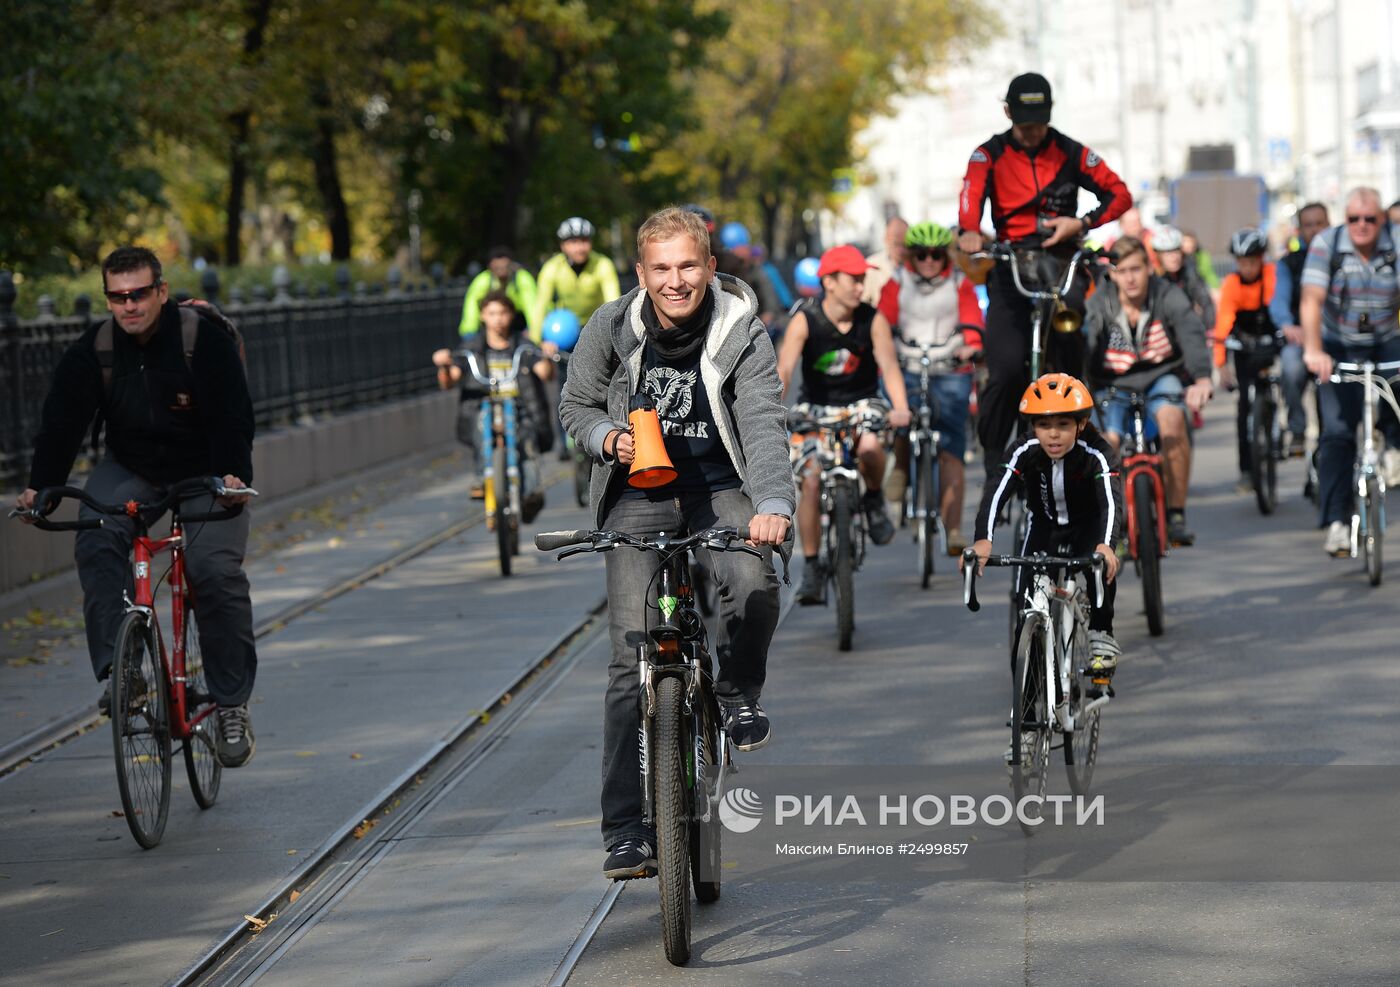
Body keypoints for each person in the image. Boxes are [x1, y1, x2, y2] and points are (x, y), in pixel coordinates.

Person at [559, 206, 793, 880]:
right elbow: (575, 405)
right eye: (661, 268)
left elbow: (763, 420)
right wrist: (607, 438)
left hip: (720, 485)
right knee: (629, 656)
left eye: (688, 265)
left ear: (710, 267)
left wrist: (772, 504)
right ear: (642, 273)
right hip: (638, 489)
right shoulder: (611, 324)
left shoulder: (739, 330)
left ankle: (737, 691)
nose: (676, 280)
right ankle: (627, 830)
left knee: (752, 584)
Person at [15, 246, 257, 767]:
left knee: (214, 570)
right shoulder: (96, 350)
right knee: (96, 538)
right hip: (135, 470)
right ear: (109, 298)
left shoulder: (201, 341)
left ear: (161, 292)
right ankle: (123, 671)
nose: (129, 306)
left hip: (206, 471)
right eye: (118, 296)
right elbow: (61, 422)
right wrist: (42, 487)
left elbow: (234, 416)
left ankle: (231, 702)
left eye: (139, 294)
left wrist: (235, 475)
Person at [956, 72, 1132, 478]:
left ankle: (1082, 438)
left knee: (1072, 341)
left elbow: (1119, 194)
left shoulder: (1071, 151)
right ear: (1007, 114)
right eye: (1025, 124)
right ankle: (993, 457)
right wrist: (968, 231)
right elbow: (970, 201)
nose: (1033, 133)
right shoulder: (988, 154)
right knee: (1002, 369)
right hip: (1011, 263)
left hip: (1062, 262)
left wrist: (1081, 223)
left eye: (1040, 123)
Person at [777, 245, 912, 603]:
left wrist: (900, 407)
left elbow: (890, 367)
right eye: (852, 279)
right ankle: (811, 564)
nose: (859, 285)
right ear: (829, 282)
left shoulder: (873, 318)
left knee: (869, 447)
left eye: (861, 278)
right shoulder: (805, 319)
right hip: (816, 407)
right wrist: (771, 409)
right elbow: (784, 370)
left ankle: (872, 497)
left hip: (862, 402)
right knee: (809, 478)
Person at [965, 373, 1124, 677]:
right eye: (1044, 425)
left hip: (1088, 527)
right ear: (1032, 426)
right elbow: (997, 490)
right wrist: (982, 539)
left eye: (1063, 425)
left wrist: (1107, 545)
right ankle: (1027, 702)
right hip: (1045, 527)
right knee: (1026, 608)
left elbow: (1111, 501)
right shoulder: (1025, 449)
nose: (1053, 435)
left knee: (1099, 569)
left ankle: (1102, 632)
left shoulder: (1097, 452)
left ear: (1081, 424)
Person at [1084, 237, 1213, 545]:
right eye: (1122, 270)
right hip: (1112, 384)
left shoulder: (1167, 295)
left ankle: (1176, 513)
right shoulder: (1100, 302)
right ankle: (1111, 521)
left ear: (1149, 269)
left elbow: (1190, 330)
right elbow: (1085, 344)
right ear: (1112, 274)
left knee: (1173, 422)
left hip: (1160, 376)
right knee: (1107, 443)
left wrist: (1202, 378)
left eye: (1136, 269)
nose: (1129, 278)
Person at [1301, 187, 1400, 556]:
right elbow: (1311, 300)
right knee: (1338, 434)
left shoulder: (1395, 242)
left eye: (1370, 219)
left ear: (1382, 220)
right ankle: (1337, 523)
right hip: (1336, 344)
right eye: (1354, 218)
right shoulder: (1327, 244)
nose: (1361, 225)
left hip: (1385, 338)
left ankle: (1394, 445)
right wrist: (1313, 350)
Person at [875, 222, 983, 553]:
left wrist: (972, 344)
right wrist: (883, 348)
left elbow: (973, 319)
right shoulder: (897, 282)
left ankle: (952, 530)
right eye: (921, 255)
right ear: (911, 255)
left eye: (936, 255)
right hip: (906, 365)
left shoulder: (959, 282)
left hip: (950, 368)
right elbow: (882, 320)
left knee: (951, 448)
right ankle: (901, 466)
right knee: (900, 418)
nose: (929, 262)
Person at [433, 291, 554, 515]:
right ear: (482, 316)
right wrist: (444, 365)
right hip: (483, 407)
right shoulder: (471, 348)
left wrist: (546, 356)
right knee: (482, 423)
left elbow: (545, 374)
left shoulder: (523, 345)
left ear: (511, 315)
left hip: (520, 408)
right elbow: (450, 380)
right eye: (492, 313)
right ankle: (483, 477)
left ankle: (531, 491)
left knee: (526, 440)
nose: (498, 319)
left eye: (503, 313)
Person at [533, 217, 622, 456]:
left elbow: (613, 300)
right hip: (563, 331)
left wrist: (613, 335)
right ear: (563, 246)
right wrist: (540, 339)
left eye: (583, 241)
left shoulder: (602, 264)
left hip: (595, 328)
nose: (579, 247)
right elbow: (540, 305)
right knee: (564, 385)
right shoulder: (553, 267)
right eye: (572, 242)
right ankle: (565, 440)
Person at [1213, 228, 1280, 492]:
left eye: (1252, 261)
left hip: (1270, 338)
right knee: (1244, 405)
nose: (1247, 267)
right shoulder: (1231, 284)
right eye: (1242, 262)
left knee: (1278, 378)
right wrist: (1221, 364)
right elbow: (1223, 324)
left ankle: (1277, 425)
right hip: (1244, 345)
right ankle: (1245, 470)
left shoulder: (1272, 276)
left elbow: (1278, 308)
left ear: (1262, 258)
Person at [1269, 202, 1331, 457]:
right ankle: (1297, 427)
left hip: (1334, 338)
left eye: (1320, 223)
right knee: (1291, 368)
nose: (1315, 230)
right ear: (1300, 230)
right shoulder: (1289, 263)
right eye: (1309, 225)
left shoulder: (1342, 256)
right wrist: (1287, 324)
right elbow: (1279, 300)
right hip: (1301, 337)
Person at [458, 246, 539, 340]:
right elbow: (471, 309)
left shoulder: (522, 278)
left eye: (505, 266)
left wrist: (534, 332)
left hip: (518, 323)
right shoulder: (483, 281)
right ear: (490, 267)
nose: (501, 269)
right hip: (491, 326)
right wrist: (470, 334)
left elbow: (532, 307)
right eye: (497, 267)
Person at [1153, 226, 1216, 329]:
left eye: (1176, 251)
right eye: (1168, 252)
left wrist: (1209, 330)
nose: (1174, 257)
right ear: (1159, 256)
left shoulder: (1189, 271)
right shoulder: (1155, 279)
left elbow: (1205, 300)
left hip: (1189, 327)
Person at [862, 215, 910, 306]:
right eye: (896, 244)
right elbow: (863, 302)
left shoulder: (919, 263)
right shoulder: (871, 266)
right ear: (886, 239)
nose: (901, 250)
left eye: (905, 244)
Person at [1180, 230, 1221, 294]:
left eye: (1190, 242)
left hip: (1200, 288)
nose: (1188, 245)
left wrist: (1216, 287)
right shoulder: (1179, 258)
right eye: (1186, 242)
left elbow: (1208, 273)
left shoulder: (1201, 255)